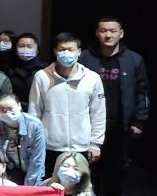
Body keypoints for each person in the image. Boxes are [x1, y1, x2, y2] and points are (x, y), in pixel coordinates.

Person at [79, 16, 150, 196]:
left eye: (112, 31)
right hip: (90, 125)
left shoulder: (134, 60)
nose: (107, 35)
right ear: (96, 33)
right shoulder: (85, 58)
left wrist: (139, 120)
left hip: (120, 126)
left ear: (121, 33)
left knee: (117, 170)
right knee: (89, 170)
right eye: (103, 31)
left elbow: (142, 92)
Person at [28, 33, 106, 180]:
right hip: (50, 146)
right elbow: (34, 111)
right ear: (55, 51)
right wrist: (33, 142)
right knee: (51, 186)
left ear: (79, 51)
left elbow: (98, 113)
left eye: (71, 49)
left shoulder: (92, 78)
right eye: (62, 49)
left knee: (79, 187)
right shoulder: (42, 77)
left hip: (81, 146)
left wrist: (95, 143)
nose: (66, 53)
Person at [0, 93, 48, 185]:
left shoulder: (34, 125)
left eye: (10, 109)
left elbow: (37, 159)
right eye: (3, 110)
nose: (7, 113)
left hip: (31, 169)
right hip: (8, 171)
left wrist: (30, 186)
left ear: (19, 106)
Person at [7, 32, 44, 110]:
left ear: (37, 50)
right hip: (13, 109)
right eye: (21, 46)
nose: (25, 49)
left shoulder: (44, 69)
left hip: (37, 110)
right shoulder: (9, 68)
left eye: (29, 46)